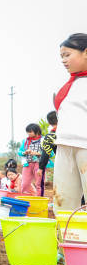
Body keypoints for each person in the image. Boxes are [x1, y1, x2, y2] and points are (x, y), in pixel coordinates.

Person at [53, 33, 87, 213]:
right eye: (61, 57)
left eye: (67, 55)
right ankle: (65, 240)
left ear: (86, 53)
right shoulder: (69, 85)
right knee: (63, 202)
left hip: (85, 147)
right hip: (64, 146)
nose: (63, 60)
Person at [18, 123, 42, 196]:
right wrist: (24, 152)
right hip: (27, 164)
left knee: (39, 183)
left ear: (37, 131)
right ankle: (24, 199)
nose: (28, 133)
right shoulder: (25, 141)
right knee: (25, 183)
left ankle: (39, 200)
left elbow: (50, 153)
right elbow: (19, 152)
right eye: (27, 132)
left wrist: (37, 153)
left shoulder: (43, 140)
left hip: (39, 164)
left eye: (30, 132)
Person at [38, 110, 57, 197]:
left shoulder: (51, 136)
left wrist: (41, 168)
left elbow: (46, 152)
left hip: (65, 166)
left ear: (49, 123)